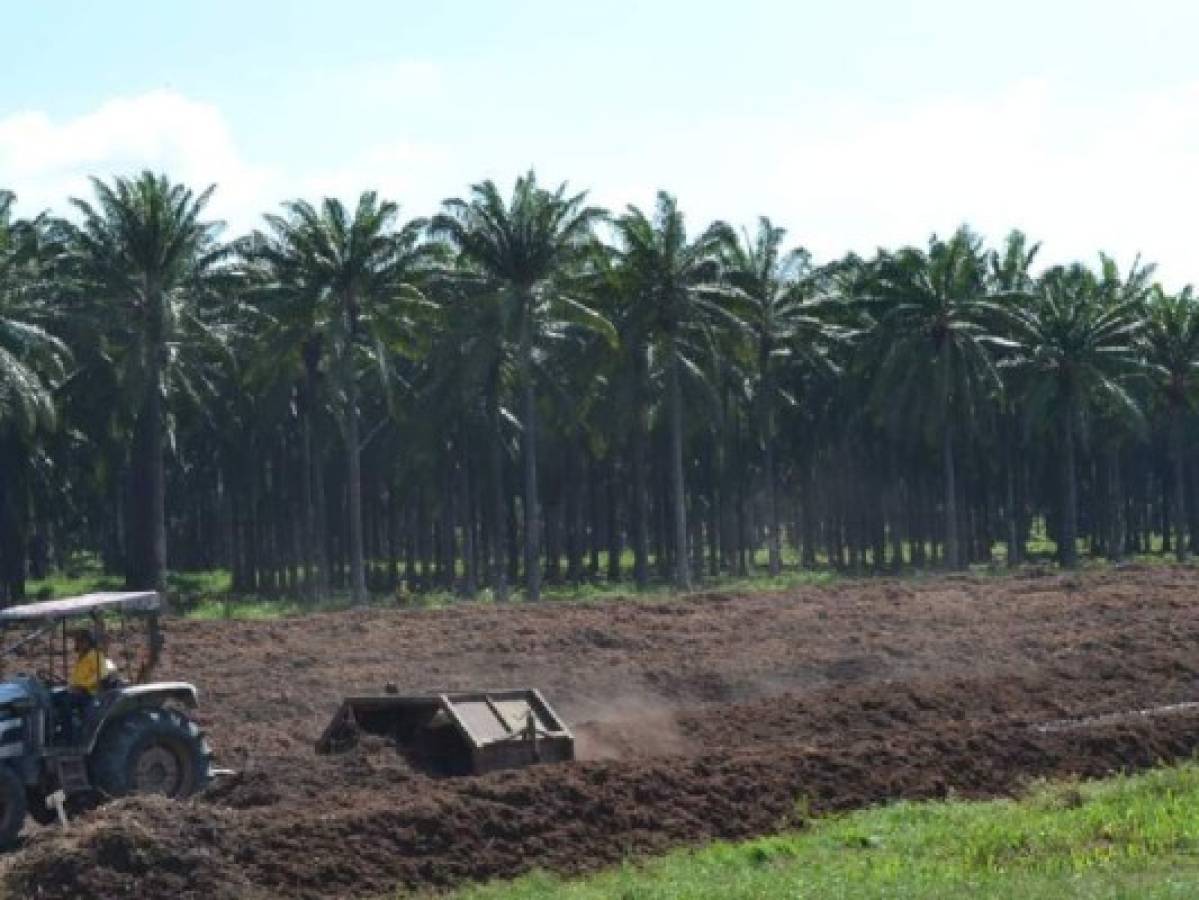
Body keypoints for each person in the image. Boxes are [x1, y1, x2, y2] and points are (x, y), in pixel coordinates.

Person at [69, 629, 118, 696]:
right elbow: (78, 675)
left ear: (89, 642)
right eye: (78, 641)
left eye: (82, 641)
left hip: (90, 693)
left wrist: (82, 685)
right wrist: (72, 684)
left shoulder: (95, 655)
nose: (79, 643)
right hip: (77, 690)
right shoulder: (82, 656)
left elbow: (101, 673)